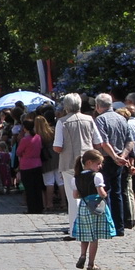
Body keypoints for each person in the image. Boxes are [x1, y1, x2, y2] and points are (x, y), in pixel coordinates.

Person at [54, 93, 102, 237]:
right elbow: (98, 142)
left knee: (73, 196)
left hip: (70, 163)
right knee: (90, 194)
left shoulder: (62, 122)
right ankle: (92, 225)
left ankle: (75, 229)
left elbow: (58, 146)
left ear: (66, 106)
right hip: (88, 162)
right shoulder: (89, 120)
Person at [91, 94, 134, 232]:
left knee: (105, 191)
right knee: (118, 192)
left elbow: (103, 142)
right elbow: (130, 141)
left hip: (107, 158)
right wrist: (123, 155)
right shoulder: (121, 118)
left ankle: (108, 226)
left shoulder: (100, 119)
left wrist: (115, 156)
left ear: (98, 106)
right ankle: (119, 226)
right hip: (120, 158)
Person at [71, 150, 117, 270]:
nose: (100, 166)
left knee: (85, 235)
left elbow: (75, 195)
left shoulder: (76, 178)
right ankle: (91, 263)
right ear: (89, 162)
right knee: (94, 237)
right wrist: (105, 194)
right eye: (98, 163)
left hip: (83, 206)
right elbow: (101, 193)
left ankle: (82, 255)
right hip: (95, 206)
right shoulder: (97, 176)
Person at [16, 119, 47, 213]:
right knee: (37, 187)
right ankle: (39, 207)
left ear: (24, 128)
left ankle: (32, 208)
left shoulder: (24, 140)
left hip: (26, 165)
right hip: (37, 163)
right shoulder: (38, 137)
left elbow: (18, 152)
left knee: (29, 188)